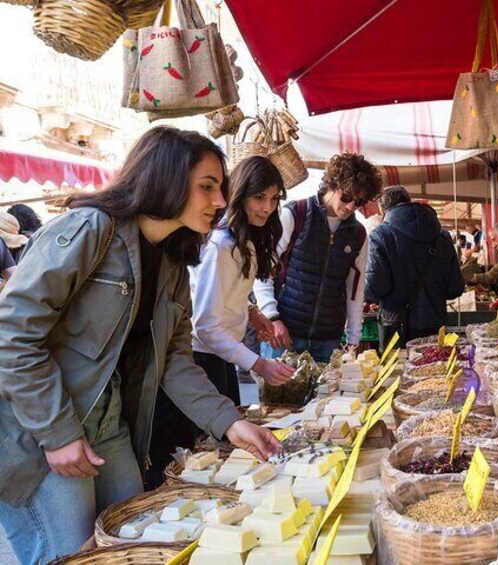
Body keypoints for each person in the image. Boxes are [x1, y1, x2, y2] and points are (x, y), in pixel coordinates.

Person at [0, 126, 279, 564]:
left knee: (133, 544)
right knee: (75, 554)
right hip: (38, 429)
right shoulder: (91, 230)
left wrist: (229, 422)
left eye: (221, 189)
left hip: (110, 424)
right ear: (164, 179)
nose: (222, 201)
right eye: (207, 187)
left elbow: (174, 360)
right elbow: (11, 335)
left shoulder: (173, 260)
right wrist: (57, 433)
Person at [146, 156, 296, 488]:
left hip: (221, 359)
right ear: (239, 195)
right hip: (201, 364)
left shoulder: (245, 242)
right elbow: (206, 326)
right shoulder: (219, 246)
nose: (267, 208)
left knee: (228, 454)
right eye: (259, 198)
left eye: (273, 199)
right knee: (203, 459)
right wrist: (258, 364)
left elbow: (228, 294)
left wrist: (252, 311)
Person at [255, 153, 382, 362]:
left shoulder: (358, 235)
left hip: (329, 340)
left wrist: (354, 337)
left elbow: (355, 289)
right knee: (275, 394)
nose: (351, 207)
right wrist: (271, 317)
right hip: (284, 332)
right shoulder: (296, 214)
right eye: (347, 196)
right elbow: (263, 270)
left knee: (328, 396)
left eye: (358, 202)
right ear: (332, 185)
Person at [365, 186, 464, 348]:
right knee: (435, 369)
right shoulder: (443, 236)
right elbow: (455, 288)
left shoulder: (380, 235)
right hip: (435, 324)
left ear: (382, 209)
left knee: (398, 372)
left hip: (397, 328)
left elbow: (374, 289)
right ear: (408, 201)